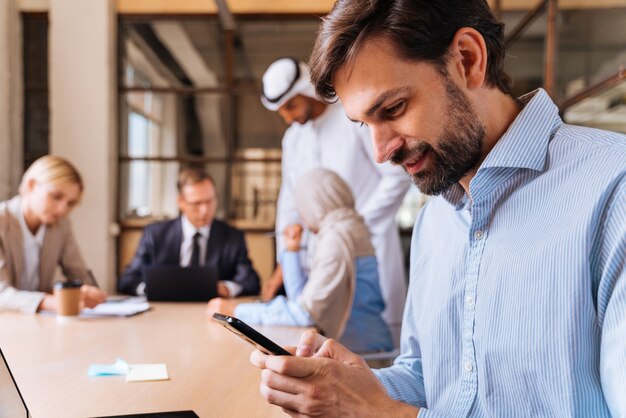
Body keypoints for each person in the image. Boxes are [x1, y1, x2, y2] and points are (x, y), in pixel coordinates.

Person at [249, 0, 626, 417]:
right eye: (364, 125)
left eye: (392, 109)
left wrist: (383, 414)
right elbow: (431, 380)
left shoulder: (614, 191)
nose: (380, 152)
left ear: (467, 59)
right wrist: (358, 384)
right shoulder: (436, 221)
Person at [261, 57, 410, 328]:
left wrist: (356, 227)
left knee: (377, 341)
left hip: (370, 248)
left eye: (291, 105)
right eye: (280, 111)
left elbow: (396, 177)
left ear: (306, 90)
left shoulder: (353, 118)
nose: (288, 117)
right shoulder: (293, 139)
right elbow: (289, 203)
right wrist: (284, 260)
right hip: (318, 259)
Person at [208, 168, 393, 353]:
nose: (303, 219)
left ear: (315, 204)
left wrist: (236, 311)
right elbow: (302, 300)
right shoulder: (349, 227)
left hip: (364, 354)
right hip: (369, 346)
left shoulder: (336, 239)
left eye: (303, 208)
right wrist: (292, 251)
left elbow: (305, 314)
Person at [118, 168, 260, 297]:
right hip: (164, 313)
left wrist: (227, 288)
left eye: (210, 201)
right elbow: (127, 280)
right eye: (196, 204)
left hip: (212, 311)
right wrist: (151, 289)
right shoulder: (155, 234)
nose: (205, 210)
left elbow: (251, 281)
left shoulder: (232, 236)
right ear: (181, 202)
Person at [0, 155, 107, 313]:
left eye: (70, 203)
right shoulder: (2, 221)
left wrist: (89, 292)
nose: (62, 209)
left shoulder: (61, 226)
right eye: (56, 196)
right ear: (31, 185)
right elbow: (2, 294)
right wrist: (53, 301)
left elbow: (79, 274)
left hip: (37, 324)